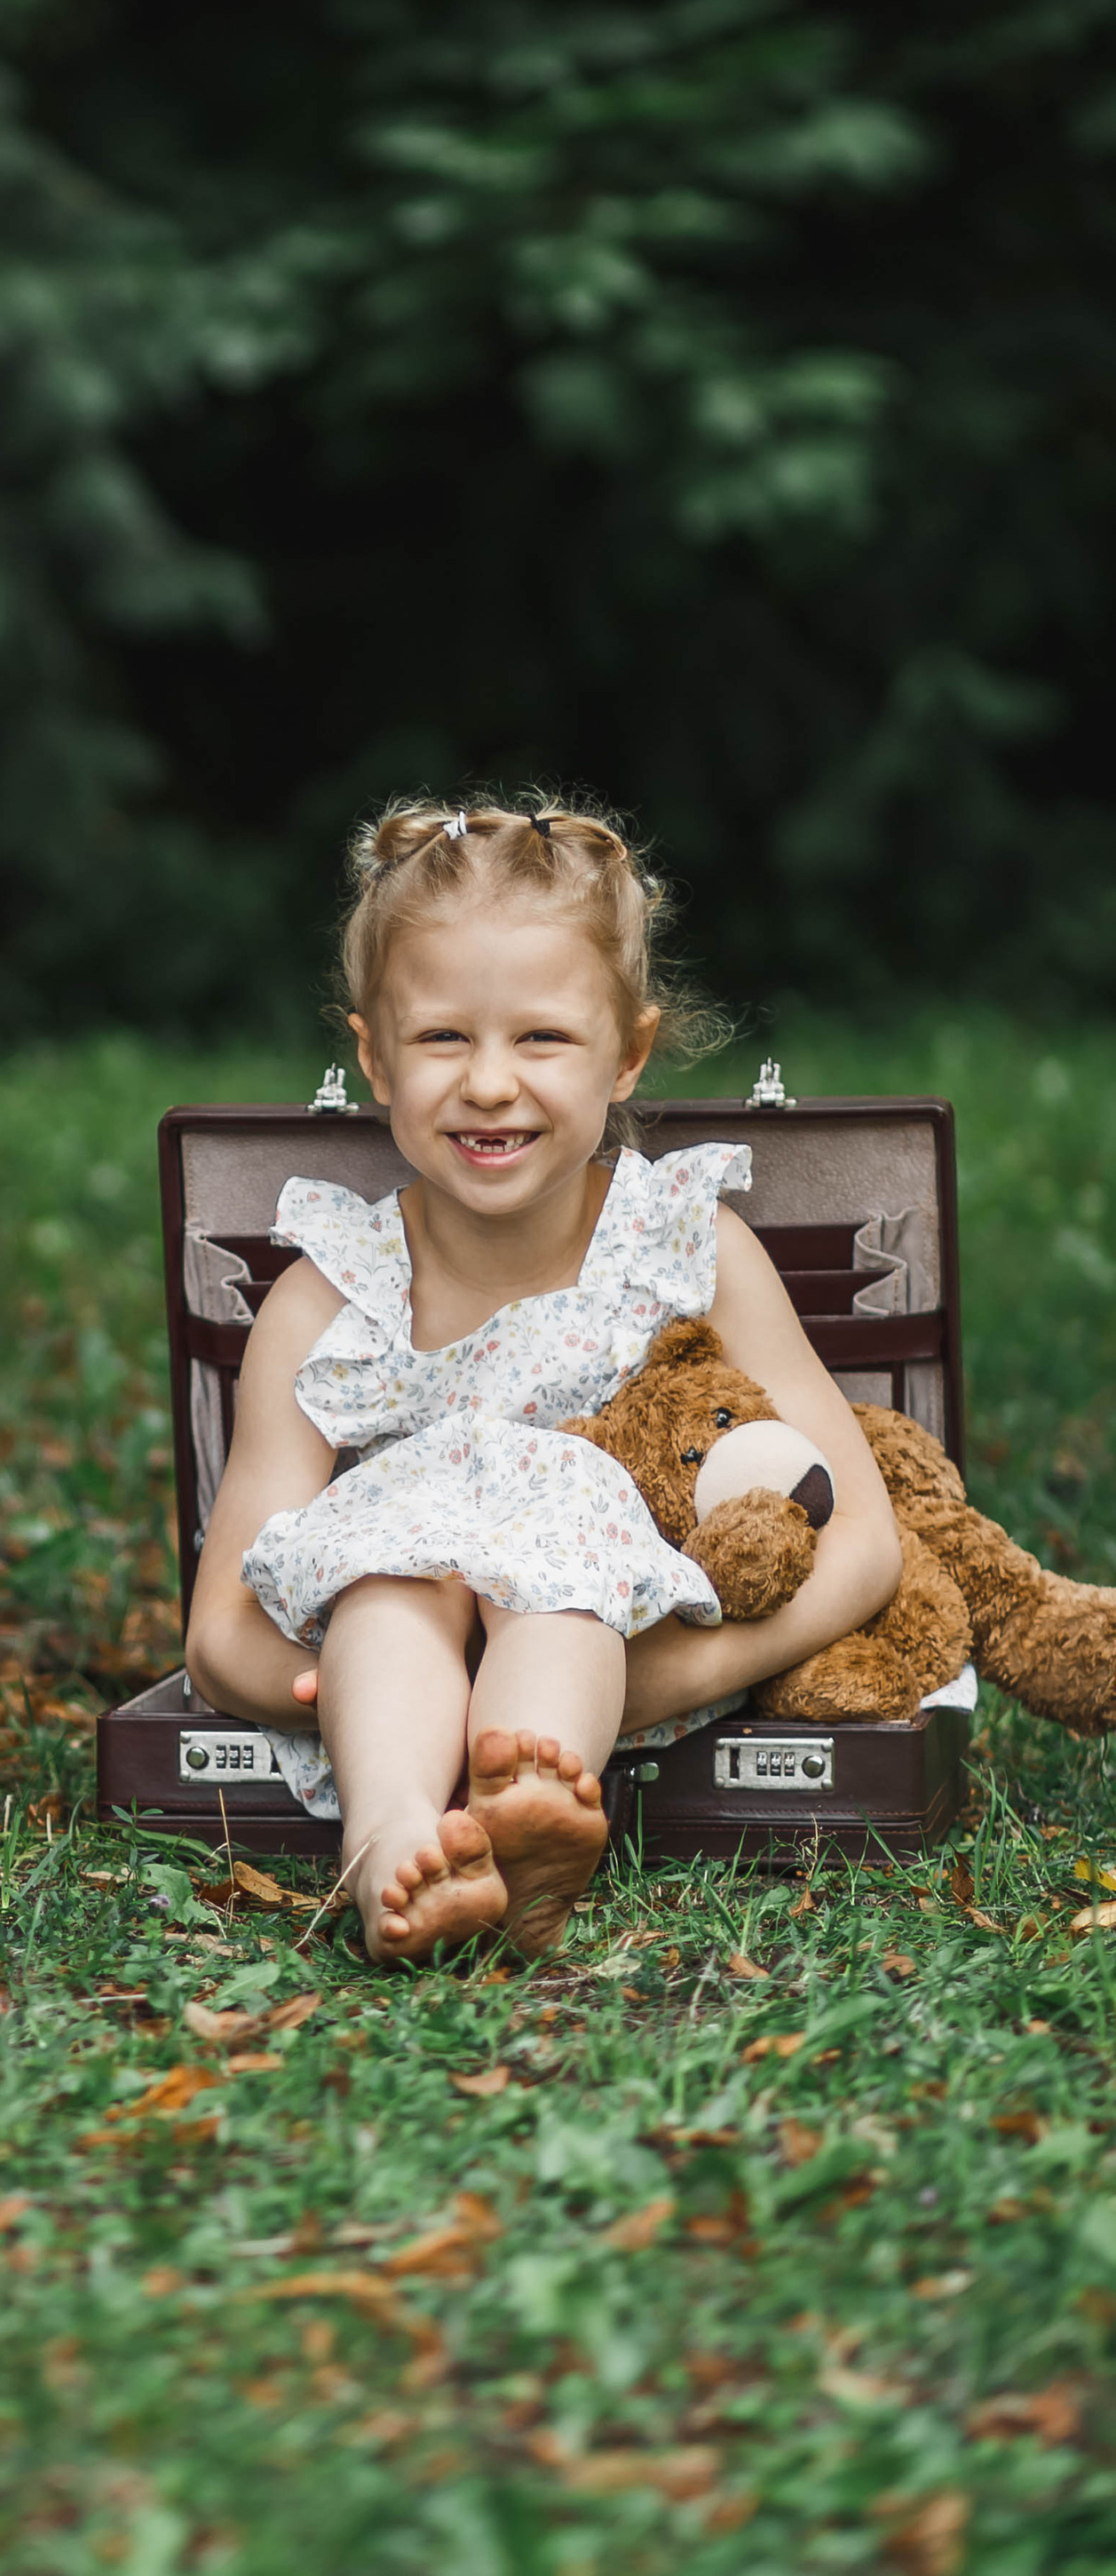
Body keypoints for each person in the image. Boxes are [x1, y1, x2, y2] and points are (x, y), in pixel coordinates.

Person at [184, 797, 903, 1965]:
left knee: (561, 1579)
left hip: (599, 1642)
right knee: (389, 1586)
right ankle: (396, 1847)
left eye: (542, 1039)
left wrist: (678, 1675)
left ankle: (524, 1828)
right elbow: (219, 1632)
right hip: (390, 1663)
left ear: (628, 1054)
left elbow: (863, 1539)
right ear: (374, 1057)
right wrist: (346, 1693)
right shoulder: (332, 1298)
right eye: (442, 1037)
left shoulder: (684, 1252)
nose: (488, 1083)